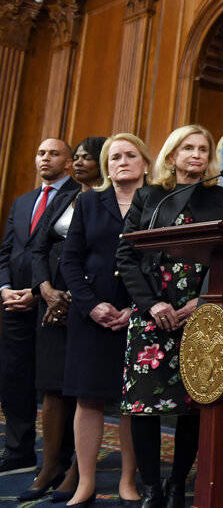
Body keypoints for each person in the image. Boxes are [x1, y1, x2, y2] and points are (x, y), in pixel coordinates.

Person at [116, 125, 223, 508]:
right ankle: (151, 486)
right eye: (188, 148)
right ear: (171, 155)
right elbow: (126, 256)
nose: (196, 155)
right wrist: (152, 304)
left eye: (203, 148)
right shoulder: (149, 196)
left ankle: (177, 484)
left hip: (199, 311)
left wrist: (200, 303)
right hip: (152, 310)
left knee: (194, 402)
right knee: (145, 404)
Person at [62, 134, 150, 506]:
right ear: (105, 165)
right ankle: (85, 481)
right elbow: (70, 260)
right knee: (89, 399)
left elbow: (159, 261)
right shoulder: (88, 202)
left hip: (138, 313)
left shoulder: (156, 203)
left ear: (145, 162)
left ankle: (128, 480)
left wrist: (137, 307)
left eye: (130, 155)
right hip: (92, 314)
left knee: (132, 401)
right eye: (114, 157)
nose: (122, 162)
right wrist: (91, 305)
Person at [22, 137, 105, 502]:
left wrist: (75, 296)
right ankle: (50, 465)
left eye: (89, 157)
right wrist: (45, 289)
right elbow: (38, 247)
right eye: (80, 157)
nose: (82, 162)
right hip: (52, 300)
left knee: (84, 388)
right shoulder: (65, 197)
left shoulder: (110, 200)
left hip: (88, 300)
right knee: (53, 386)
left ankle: (77, 470)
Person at [0, 138, 78, 476]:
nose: (45, 158)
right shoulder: (22, 202)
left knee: (52, 385)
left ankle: (57, 459)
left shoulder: (80, 196)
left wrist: (36, 291)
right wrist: (4, 289)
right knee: (13, 376)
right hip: (13, 303)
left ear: (70, 161)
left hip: (53, 301)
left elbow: (65, 254)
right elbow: (6, 253)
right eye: (40, 152)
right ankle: (18, 451)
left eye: (54, 153)